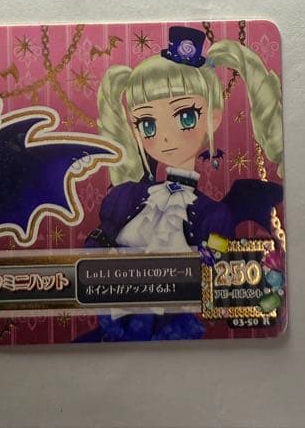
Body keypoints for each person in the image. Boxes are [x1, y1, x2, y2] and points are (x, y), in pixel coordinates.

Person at [78, 26, 283, 341]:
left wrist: (207, 253)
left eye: (186, 116)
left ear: (213, 118)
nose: (164, 137)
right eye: (148, 124)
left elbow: (222, 246)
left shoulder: (212, 213)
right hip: (118, 309)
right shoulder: (127, 197)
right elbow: (97, 242)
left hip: (171, 318)